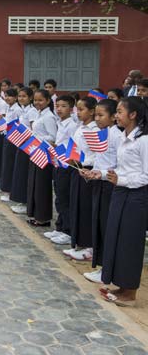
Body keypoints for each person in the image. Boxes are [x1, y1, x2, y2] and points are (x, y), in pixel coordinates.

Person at [100, 97, 148, 307]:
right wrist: (98, 173)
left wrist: (123, 180)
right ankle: (120, 284)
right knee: (116, 238)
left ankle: (130, 293)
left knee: (130, 242)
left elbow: (146, 175)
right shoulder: (122, 137)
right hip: (120, 192)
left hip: (136, 196)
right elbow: (118, 168)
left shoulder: (144, 140)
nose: (116, 115)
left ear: (133, 114)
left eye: (120, 111)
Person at [79, 99, 122, 284]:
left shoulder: (116, 136)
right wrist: (91, 172)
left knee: (106, 226)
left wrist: (101, 173)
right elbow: (100, 159)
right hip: (99, 180)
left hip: (109, 184)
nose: (97, 119)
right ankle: (102, 265)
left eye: (101, 115)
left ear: (113, 117)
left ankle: (107, 267)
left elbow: (118, 164)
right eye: (95, 115)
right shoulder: (104, 134)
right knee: (98, 224)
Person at [64, 97, 98, 262]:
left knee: (86, 207)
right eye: (77, 109)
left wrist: (81, 162)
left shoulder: (94, 130)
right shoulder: (81, 127)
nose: (78, 112)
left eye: (82, 109)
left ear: (92, 111)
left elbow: (95, 155)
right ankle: (79, 242)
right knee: (76, 205)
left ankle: (90, 247)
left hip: (88, 170)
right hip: (77, 168)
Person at [44, 95, 78, 245]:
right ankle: (60, 226)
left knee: (65, 198)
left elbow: (73, 146)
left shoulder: (72, 125)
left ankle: (68, 231)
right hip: (58, 163)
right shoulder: (60, 122)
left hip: (67, 164)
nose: (59, 109)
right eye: (57, 106)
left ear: (71, 109)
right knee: (58, 197)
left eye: (63, 106)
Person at [26, 89, 57, 226]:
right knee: (35, 184)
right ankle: (36, 214)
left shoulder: (49, 116)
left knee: (42, 186)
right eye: (35, 100)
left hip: (44, 154)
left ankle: (43, 217)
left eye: (40, 100)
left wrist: (37, 138)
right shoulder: (39, 114)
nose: (37, 103)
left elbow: (53, 137)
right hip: (36, 151)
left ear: (48, 101)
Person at [0, 88, 23, 202]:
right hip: (7, 137)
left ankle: (9, 190)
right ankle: (6, 189)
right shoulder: (9, 108)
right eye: (6, 96)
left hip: (14, 140)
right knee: (6, 164)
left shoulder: (18, 110)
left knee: (10, 165)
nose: (7, 98)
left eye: (10, 96)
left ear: (15, 97)